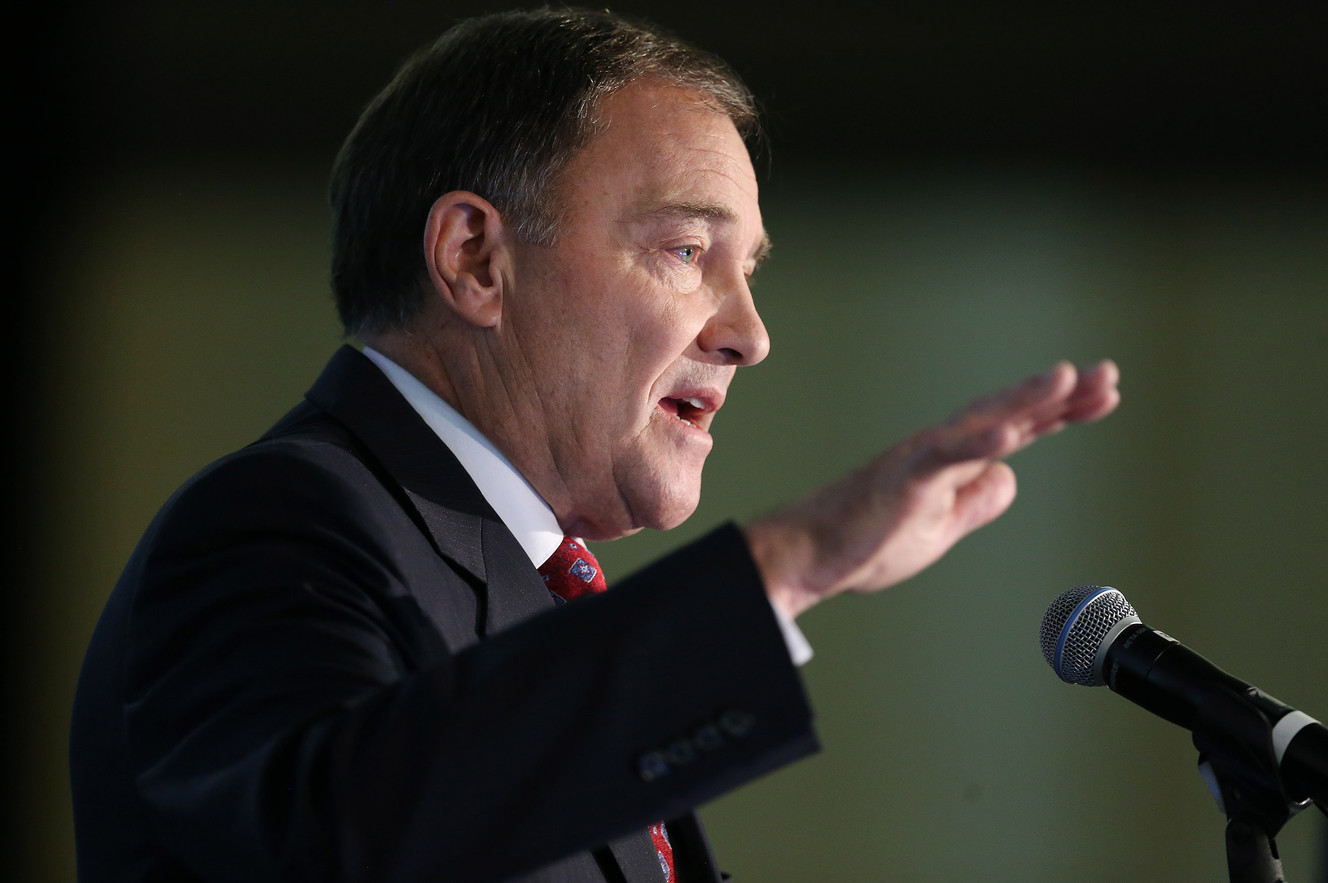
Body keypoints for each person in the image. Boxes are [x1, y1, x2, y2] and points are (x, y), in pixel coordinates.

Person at [69, 8, 1121, 882]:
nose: (748, 334)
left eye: (746, 267)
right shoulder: (281, 526)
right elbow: (346, 841)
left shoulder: (546, 603)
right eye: (684, 249)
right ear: (475, 258)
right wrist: (784, 567)